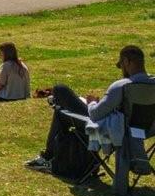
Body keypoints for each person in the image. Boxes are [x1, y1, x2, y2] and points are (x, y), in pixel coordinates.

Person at [29, 45, 155, 173]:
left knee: (60, 92)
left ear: (127, 62)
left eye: (121, 65)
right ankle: (56, 158)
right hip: (146, 130)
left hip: (108, 129)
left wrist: (92, 103)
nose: (122, 69)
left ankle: (48, 157)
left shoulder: (121, 86)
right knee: (61, 105)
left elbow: (95, 114)